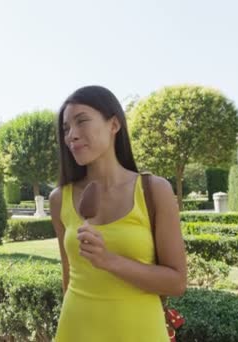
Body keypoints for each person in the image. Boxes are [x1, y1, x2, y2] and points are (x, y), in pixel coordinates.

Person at [50, 85, 187, 341]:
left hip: (139, 331)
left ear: (114, 125)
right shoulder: (59, 199)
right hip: (76, 329)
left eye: (82, 122)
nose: (72, 136)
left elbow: (177, 282)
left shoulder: (153, 190)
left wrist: (108, 260)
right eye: (66, 129)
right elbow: (68, 279)